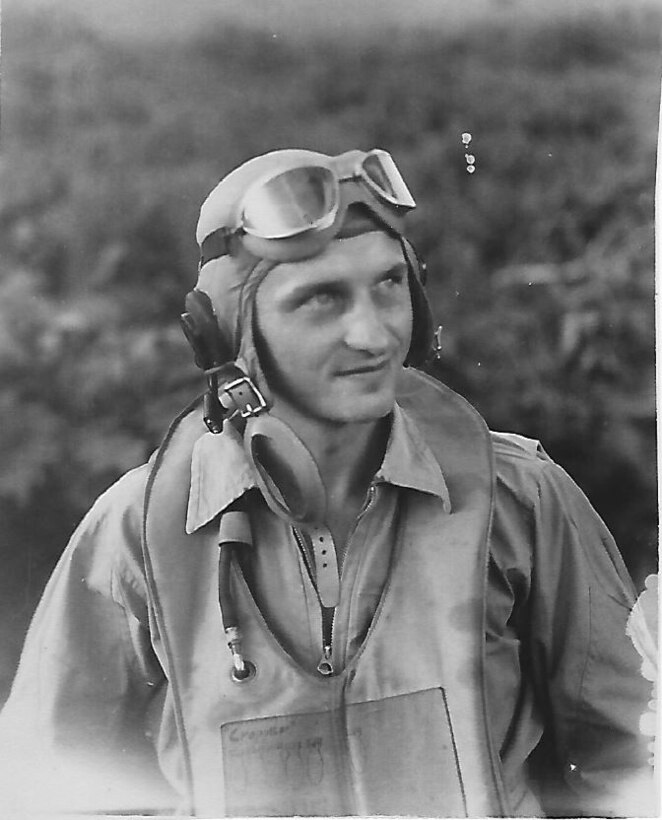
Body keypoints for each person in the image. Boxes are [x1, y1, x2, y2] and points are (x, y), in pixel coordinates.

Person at [0, 148, 656, 818]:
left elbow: (635, 767)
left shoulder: (521, 497)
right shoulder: (139, 529)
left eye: (390, 285)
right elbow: (46, 787)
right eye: (322, 299)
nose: (373, 335)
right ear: (224, 331)